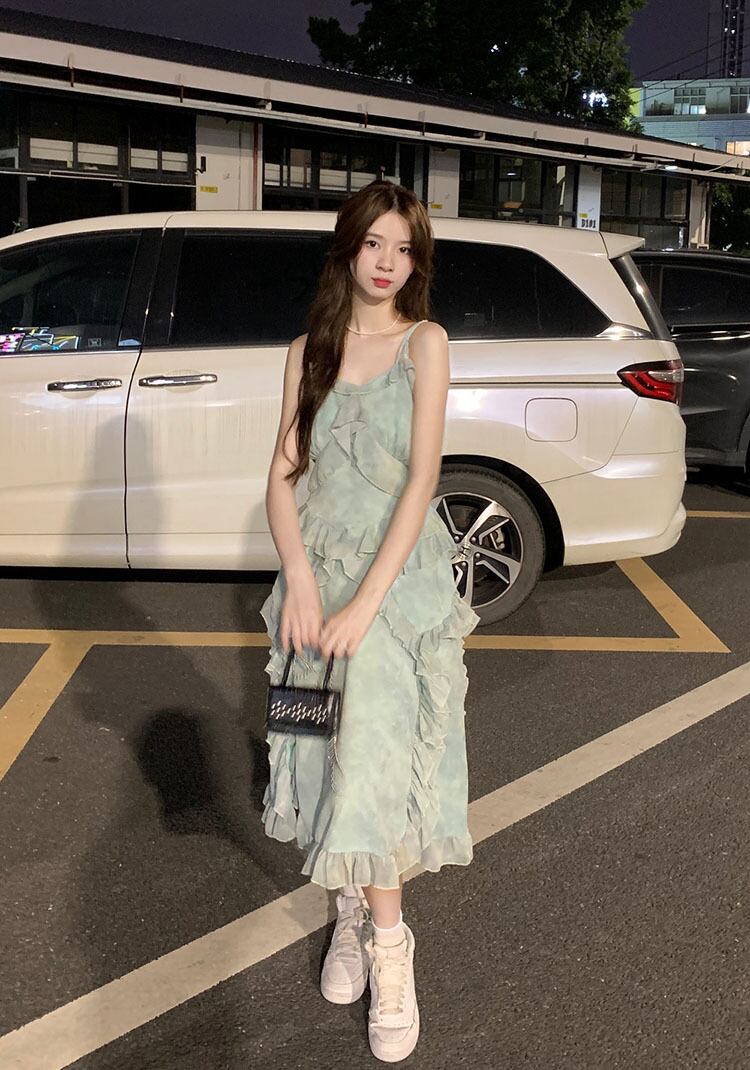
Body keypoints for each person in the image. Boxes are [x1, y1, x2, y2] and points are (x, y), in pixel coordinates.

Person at [260, 179, 480, 1063]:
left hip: (392, 592)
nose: (388, 262)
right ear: (348, 248)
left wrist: (363, 601)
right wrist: (301, 581)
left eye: (405, 248)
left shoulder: (426, 343)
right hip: (311, 589)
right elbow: (283, 475)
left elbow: (423, 480)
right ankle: (346, 909)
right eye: (374, 243)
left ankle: (392, 948)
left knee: (371, 761)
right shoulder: (306, 350)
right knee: (313, 746)